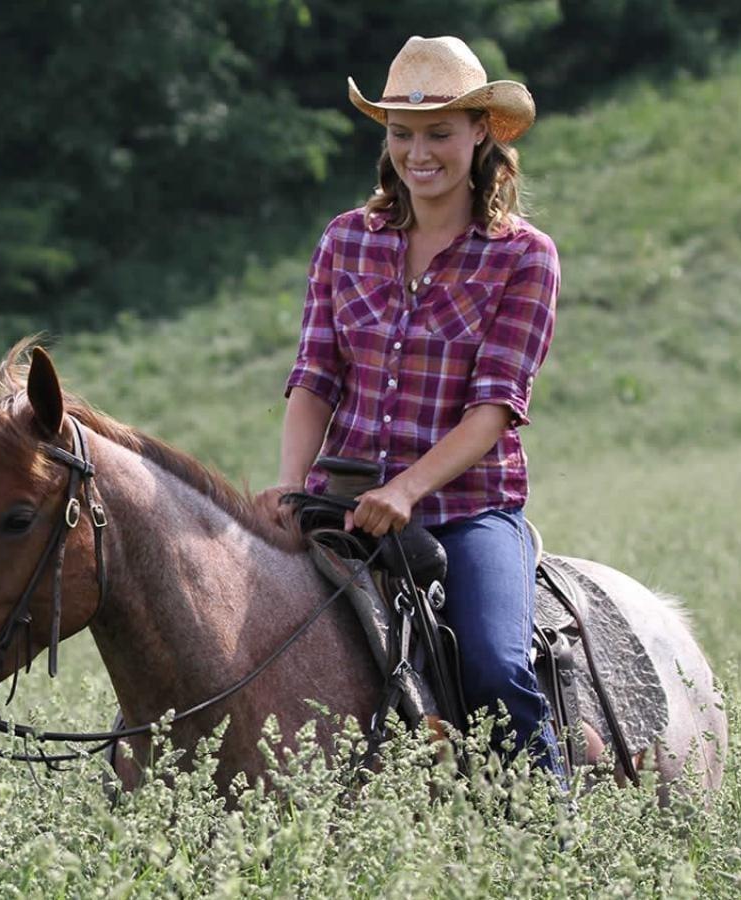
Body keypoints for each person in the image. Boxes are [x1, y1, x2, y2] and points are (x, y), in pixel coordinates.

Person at [272, 36, 564, 780]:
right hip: (341, 500)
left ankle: (554, 835)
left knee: (497, 669)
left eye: (439, 132)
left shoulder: (524, 257)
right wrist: (292, 488)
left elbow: (495, 407)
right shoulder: (346, 241)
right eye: (402, 134)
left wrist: (406, 489)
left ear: (480, 134)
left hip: (469, 509)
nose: (418, 152)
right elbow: (314, 379)